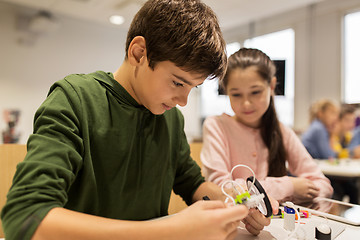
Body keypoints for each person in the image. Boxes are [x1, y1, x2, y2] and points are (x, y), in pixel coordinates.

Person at [1, 1, 275, 240]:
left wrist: (236, 207)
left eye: (193, 87)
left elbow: (192, 184)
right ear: (139, 53)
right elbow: (26, 218)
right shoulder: (75, 100)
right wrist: (170, 232)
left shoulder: (171, 120)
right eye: (178, 82)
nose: (183, 101)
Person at [201, 48, 333, 209]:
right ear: (226, 91)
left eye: (255, 92)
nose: (246, 103)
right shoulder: (216, 126)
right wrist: (287, 186)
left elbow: (323, 185)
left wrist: (253, 191)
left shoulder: (281, 131)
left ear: (271, 86)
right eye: (236, 94)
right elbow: (224, 191)